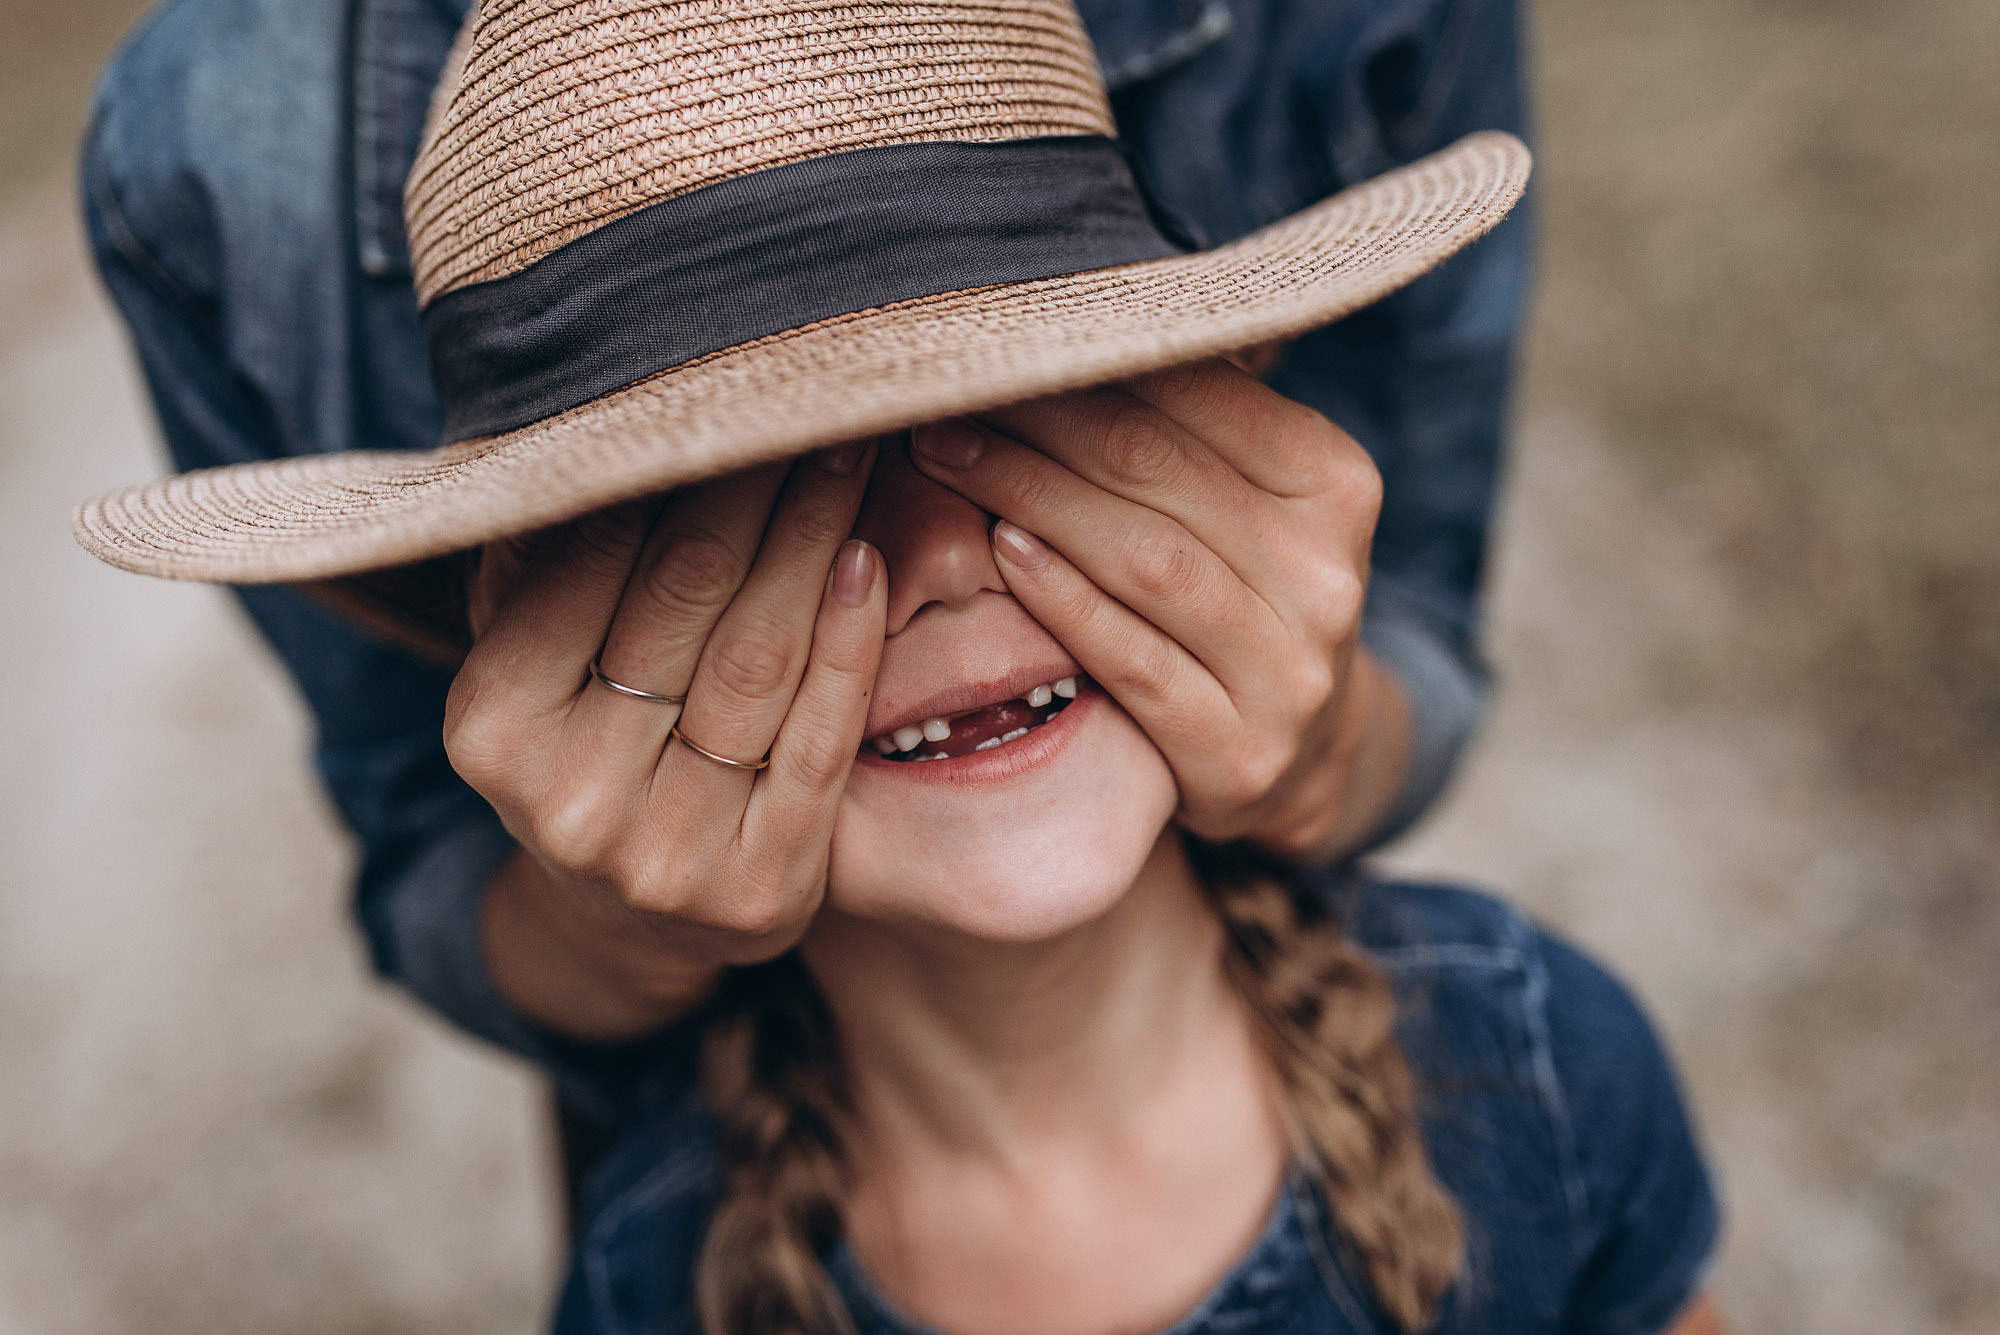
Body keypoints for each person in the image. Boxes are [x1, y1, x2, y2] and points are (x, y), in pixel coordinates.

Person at [78, 0, 1719, 1330]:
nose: (931, 567)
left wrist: (1320, 737)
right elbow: (423, 853)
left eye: (1011, 430)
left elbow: (1420, 609)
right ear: (578, 670)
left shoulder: (1543, 1068)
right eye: (757, 508)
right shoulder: (659, 1276)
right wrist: (597, 920)